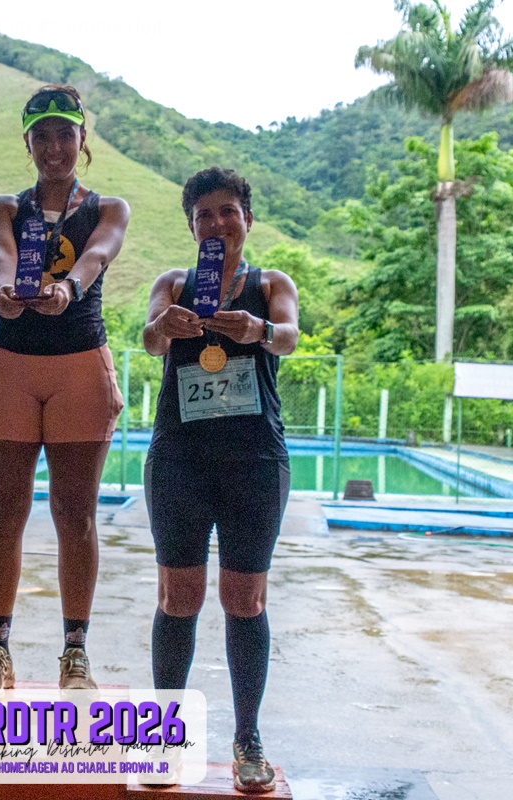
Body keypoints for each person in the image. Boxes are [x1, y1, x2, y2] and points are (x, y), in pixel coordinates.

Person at [0, 85, 130, 691]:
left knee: (75, 514)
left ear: (83, 139)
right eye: (42, 136)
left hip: (80, 365)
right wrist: (6, 289)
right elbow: (0, 256)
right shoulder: (4, 207)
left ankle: (75, 654)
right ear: (27, 142)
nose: (54, 146)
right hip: (10, 364)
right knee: (4, 512)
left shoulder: (108, 207)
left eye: (66, 134)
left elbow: (98, 254)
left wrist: (70, 288)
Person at [141, 167, 298, 792]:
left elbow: (289, 336)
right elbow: (150, 340)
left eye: (227, 211)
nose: (217, 223)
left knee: (245, 599)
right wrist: (166, 326)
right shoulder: (175, 285)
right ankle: (162, 738)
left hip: (254, 459)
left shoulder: (271, 284)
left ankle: (247, 739)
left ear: (247, 220)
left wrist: (259, 331)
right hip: (180, 458)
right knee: (178, 597)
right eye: (203, 215)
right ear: (191, 227)